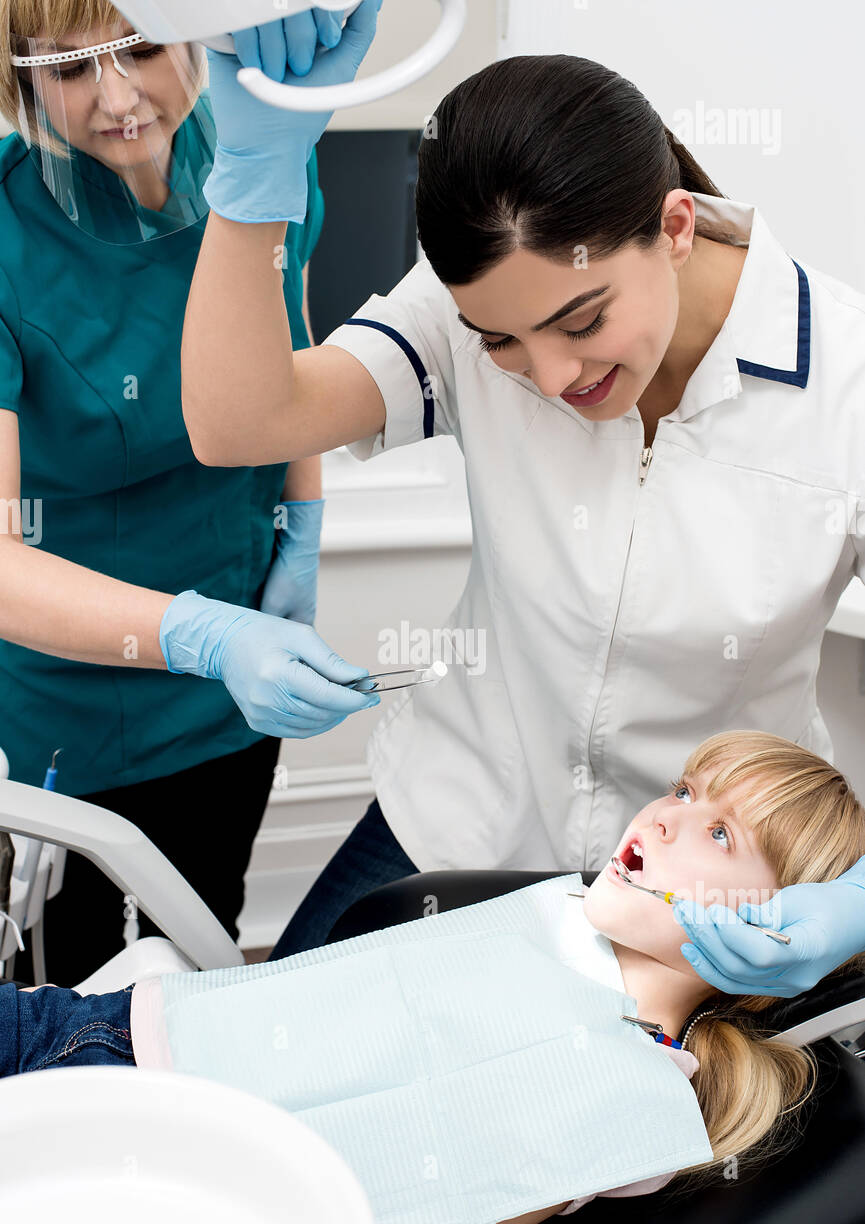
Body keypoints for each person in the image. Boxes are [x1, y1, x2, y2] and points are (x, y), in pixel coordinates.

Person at [178, 27, 865, 995]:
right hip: (455, 820)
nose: (548, 376)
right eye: (498, 339)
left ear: (674, 228)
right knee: (264, 1072)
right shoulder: (476, 295)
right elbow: (241, 419)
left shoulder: (843, 386)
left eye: (580, 322)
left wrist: (858, 897)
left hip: (697, 887)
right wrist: (254, 178)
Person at [4, 728, 863, 1224]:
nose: (668, 817)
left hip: (170, 1185)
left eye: (720, 835)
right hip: (105, 1033)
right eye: (683, 790)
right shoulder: (553, 910)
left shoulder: (629, 1090)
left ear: (781, 923)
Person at [0, 2, 381, 983]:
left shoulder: (255, 160)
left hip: (228, 688)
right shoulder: (8, 237)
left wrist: (303, 534)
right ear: (21, 79)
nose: (120, 98)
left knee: (203, 933)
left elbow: (289, 369)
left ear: (194, 41)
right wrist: (203, 633)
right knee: (74, 983)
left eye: (139, 51)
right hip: (67, 706)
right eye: (74, 70)